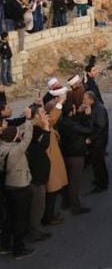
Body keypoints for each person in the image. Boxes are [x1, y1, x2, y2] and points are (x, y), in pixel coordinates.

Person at [0, 112, 35, 259]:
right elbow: (28, 137)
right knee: (20, 219)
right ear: (15, 138)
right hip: (20, 186)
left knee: (10, 217)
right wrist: (28, 119)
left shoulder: (2, 147)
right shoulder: (16, 151)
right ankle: (18, 249)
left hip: (8, 185)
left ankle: (4, 245)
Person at [58, 101, 92, 214]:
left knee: (67, 179)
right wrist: (87, 116)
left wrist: (78, 113)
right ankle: (75, 206)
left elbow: (73, 123)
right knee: (74, 181)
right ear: (70, 112)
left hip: (66, 153)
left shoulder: (62, 121)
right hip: (76, 155)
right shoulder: (71, 125)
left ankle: (66, 202)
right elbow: (87, 129)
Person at [26, 105, 52, 242]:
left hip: (38, 176)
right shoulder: (33, 130)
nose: (44, 113)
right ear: (36, 116)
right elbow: (42, 147)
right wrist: (46, 129)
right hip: (36, 178)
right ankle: (35, 233)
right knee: (37, 207)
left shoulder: (35, 128)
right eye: (41, 112)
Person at [43, 90, 68, 226]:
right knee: (51, 192)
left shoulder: (44, 123)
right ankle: (49, 217)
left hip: (52, 161)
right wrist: (59, 104)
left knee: (52, 193)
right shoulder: (44, 124)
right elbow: (52, 120)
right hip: (50, 163)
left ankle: (50, 214)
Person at [83, 91, 109, 192]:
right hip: (97, 141)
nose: (83, 101)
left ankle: (102, 184)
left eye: (85, 99)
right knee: (96, 163)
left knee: (99, 163)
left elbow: (99, 127)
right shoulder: (94, 107)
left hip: (99, 142)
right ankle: (99, 180)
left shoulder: (99, 109)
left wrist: (91, 138)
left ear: (91, 99)